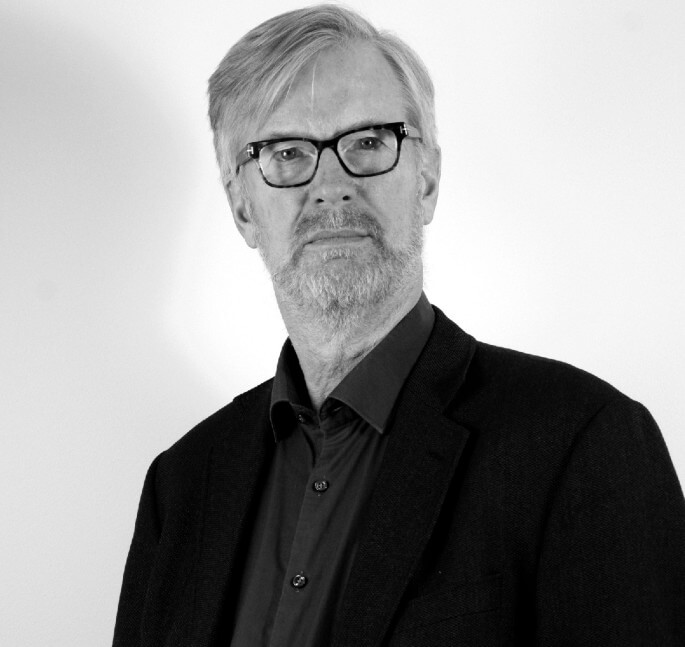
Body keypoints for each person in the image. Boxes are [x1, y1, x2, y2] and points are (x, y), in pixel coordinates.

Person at [113, 5, 685, 646]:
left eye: (367, 142)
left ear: (428, 179)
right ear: (243, 207)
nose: (331, 187)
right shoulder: (181, 486)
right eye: (287, 152)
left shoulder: (582, 443)